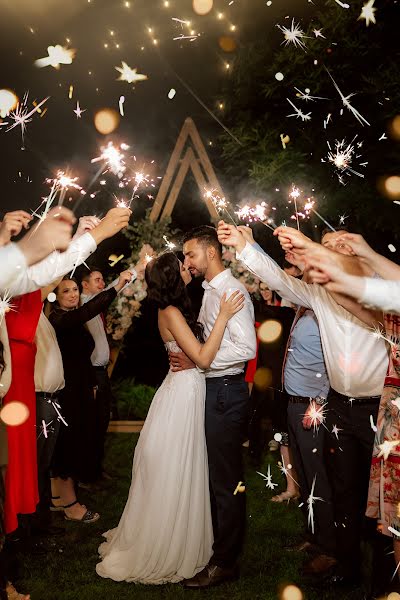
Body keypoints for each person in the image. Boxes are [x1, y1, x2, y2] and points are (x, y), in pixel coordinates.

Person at [217, 221, 388, 587]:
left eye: (334, 245)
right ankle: (348, 566)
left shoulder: (378, 289)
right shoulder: (318, 295)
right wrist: (246, 248)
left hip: (381, 409)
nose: (325, 251)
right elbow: (282, 281)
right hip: (340, 405)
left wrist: (314, 251)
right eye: (323, 245)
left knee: (382, 498)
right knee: (343, 489)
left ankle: (386, 578)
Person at [96, 252, 244, 584]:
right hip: (183, 394)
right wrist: (222, 317)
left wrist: (194, 356)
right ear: (172, 276)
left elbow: (194, 355)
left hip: (184, 387)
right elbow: (204, 359)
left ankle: (186, 534)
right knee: (178, 466)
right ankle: (172, 542)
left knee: (184, 466)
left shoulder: (174, 309)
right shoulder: (172, 312)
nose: (187, 267)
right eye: (181, 265)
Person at [168, 226, 257, 588]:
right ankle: (217, 546)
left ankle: (225, 562)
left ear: (211, 252)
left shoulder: (232, 292)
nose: (186, 261)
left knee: (226, 480)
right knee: (215, 477)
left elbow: (246, 348)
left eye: (190, 254)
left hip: (225, 390)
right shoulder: (209, 292)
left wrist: (201, 361)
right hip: (213, 389)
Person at [49, 270, 132, 523]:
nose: (73, 294)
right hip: (70, 391)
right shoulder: (60, 319)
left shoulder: (70, 318)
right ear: (55, 297)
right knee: (70, 444)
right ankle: (71, 505)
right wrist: (117, 285)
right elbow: (91, 309)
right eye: (66, 291)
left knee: (71, 441)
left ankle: (56, 498)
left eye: (75, 289)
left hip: (79, 387)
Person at [80, 265, 137, 483]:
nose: (102, 283)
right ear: (85, 285)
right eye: (97, 280)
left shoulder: (96, 305)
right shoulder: (85, 304)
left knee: (101, 423)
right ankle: (87, 475)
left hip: (101, 372)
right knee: (92, 425)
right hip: (91, 374)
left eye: (103, 279)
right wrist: (123, 279)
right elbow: (109, 293)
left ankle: (95, 469)